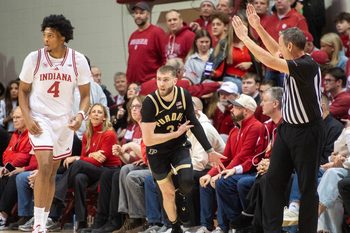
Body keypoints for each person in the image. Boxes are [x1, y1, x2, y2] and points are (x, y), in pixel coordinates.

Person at [232, 5, 324, 233]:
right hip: (287, 130)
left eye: (282, 43)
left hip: (308, 133)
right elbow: (275, 53)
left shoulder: (307, 65)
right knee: (272, 180)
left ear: (291, 46)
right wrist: (258, 27)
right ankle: (272, 230)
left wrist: (245, 38)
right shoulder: (294, 59)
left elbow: (270, 60)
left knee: (307, 188)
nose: (279, 46)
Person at [18, 14, 91, 233]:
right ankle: (38, 224)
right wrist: (28, 118)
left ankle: (44, 219)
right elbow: (22, 90)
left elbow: (86, 95)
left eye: (50, 35)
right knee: (46, 164)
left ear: (62, 37)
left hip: (63, 123)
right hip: (40, 118)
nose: (45, 40)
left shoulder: (77, 60)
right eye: (44, 35)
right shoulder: (34, 58)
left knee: (51, 172)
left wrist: (80, 116)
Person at [141, 65, 225, 233]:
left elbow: (193, 122)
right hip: (156, 151)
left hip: (178, 146)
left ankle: (180, 198)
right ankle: (175, 226)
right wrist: (176, 133)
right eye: (158, 79)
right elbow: (148, 139)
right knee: (167, 193)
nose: (161, 84)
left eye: (165, 80)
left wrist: (209, 150)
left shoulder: (183, 95)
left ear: (175, 80)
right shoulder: (150, 102)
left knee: (187, 182)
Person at [0, 107, 37, 229]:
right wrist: (6, 167)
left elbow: (26, 157)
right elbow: (6, 154)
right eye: (14, 117)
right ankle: (5, 215)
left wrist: (17, 166)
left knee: (15, 177)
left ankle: (3, 215)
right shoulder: (16, 134)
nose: (14, 120)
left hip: (29, 168)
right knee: (2, 176)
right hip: (14, 167)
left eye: (18, 117)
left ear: (26, 118)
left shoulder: (32, 134)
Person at [126, 1, 166, 84]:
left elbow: (165, 57)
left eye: (141, 13)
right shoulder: (133, 35)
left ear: (148, 14)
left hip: (150, 82)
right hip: (133, 85)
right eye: (136, 13)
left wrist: (158, 78)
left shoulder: (157, 32)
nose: (138, 16)